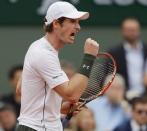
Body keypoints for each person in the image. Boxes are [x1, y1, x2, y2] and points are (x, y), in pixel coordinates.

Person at [16, 1, 99, 131]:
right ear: (55, 24)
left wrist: (57, 108)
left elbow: (21, 90)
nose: (78, 27)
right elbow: (72, 95)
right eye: (73, 21)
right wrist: (89, 57)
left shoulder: (37, 47)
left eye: (78, 22)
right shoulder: (43, 54)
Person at [108, 18, 147, 96]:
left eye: (134, 30)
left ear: (139, 31)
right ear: (123, 31)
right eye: (128, 30)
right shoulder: (114, 53)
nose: (132, 33)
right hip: (124, 96)